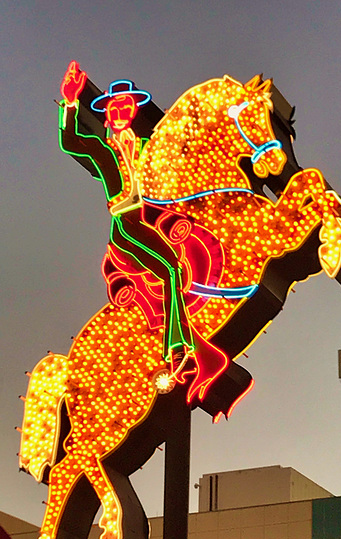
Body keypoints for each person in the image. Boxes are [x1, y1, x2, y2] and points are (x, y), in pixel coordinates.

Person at [59, 61, 228, 403]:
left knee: (175, 269)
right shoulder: (103, 149)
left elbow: (181, 151)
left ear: (133, 110)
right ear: (107, 115)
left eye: (126, 106)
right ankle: (178, 349)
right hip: (125, 223)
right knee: (169, 268)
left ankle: (182, 343)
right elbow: (70, 139)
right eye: (114, 107)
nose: (121, 111)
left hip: (150, 217)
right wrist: (70, 103)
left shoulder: (149, 146)